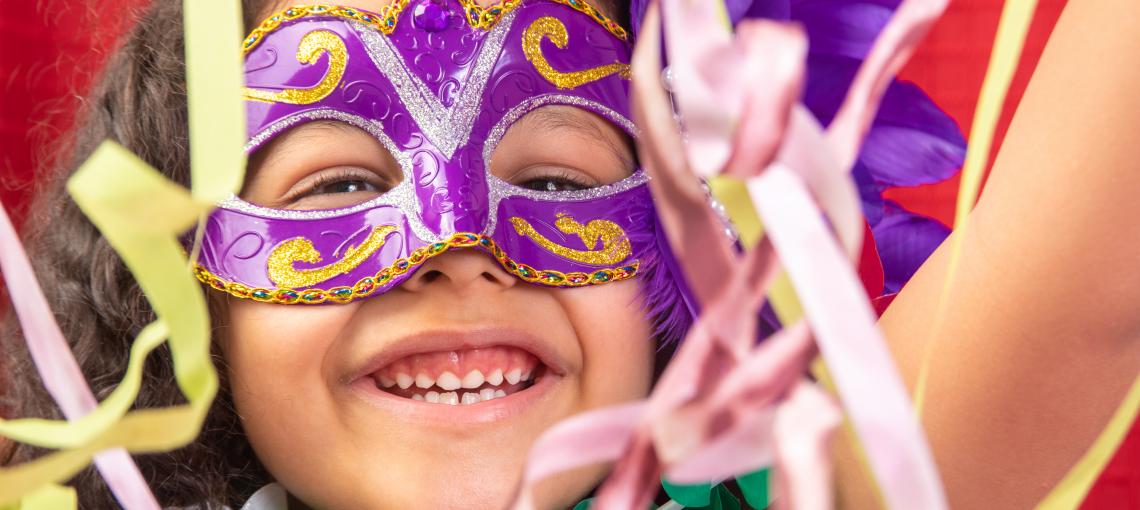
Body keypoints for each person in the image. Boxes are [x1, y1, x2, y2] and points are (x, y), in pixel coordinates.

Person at [2, 1, 1137, 509]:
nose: (456, 245)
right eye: (340, 185)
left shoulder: (828, 499)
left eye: (552, 183)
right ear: (190, 294)